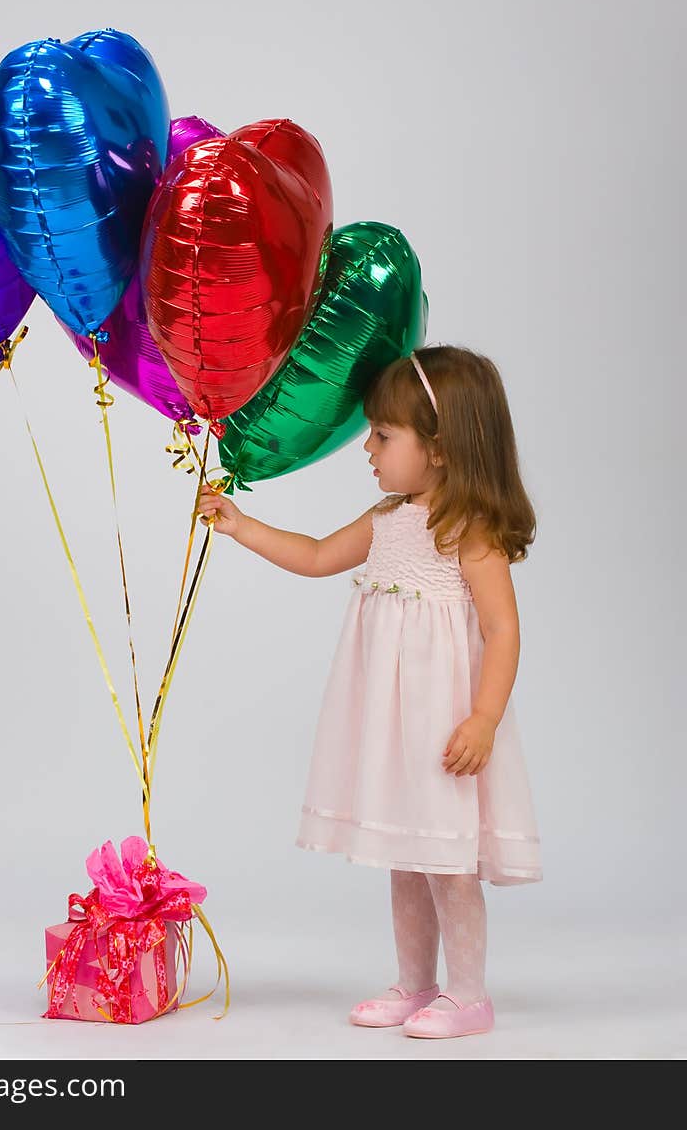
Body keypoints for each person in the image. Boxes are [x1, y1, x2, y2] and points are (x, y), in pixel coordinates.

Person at [197, 345, 543, 1039]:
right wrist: (241, 526)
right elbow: (320, 555)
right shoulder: (388, 520)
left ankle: (468, 995)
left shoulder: (467, 533)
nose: (368, 448)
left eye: (384, 435)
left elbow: (503, 632)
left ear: (441, 449)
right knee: (406, 860)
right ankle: (415, 985)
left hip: (445, 726)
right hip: (395, 726)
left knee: (445, 861)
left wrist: (484, 718)